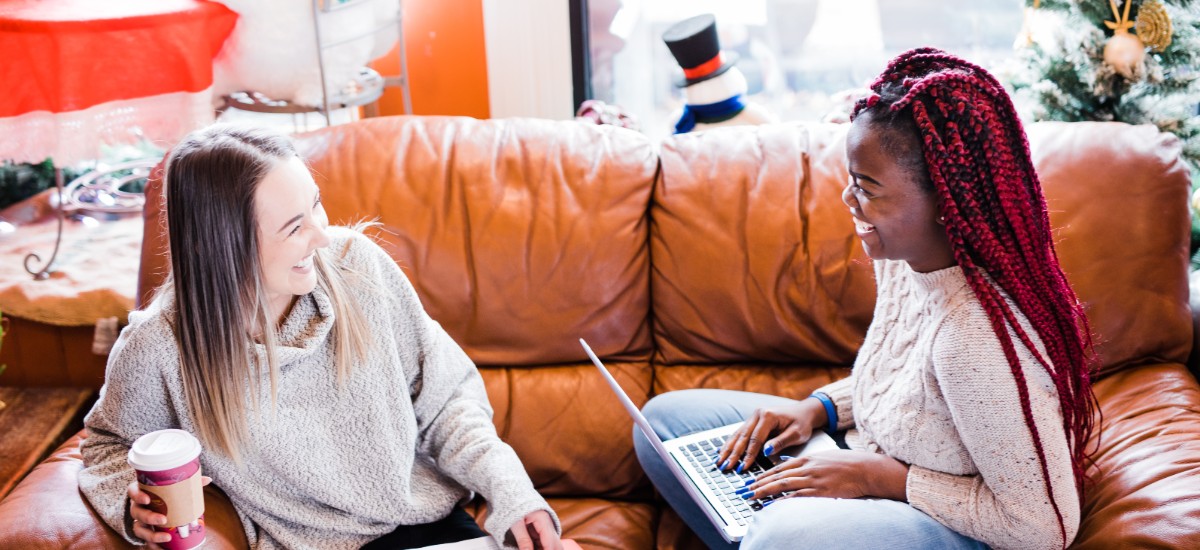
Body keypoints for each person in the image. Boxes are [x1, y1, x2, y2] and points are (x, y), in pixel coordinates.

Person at [634, 47, 1097, 549]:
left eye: (868, 187)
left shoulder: (976, 339)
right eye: (851, 181)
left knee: (781, 536)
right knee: (662, 428)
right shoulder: (903, 259)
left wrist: (881, 479)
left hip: (953, 524)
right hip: (868, 464)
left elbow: (1043, 528)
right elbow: (908, 388)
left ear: (946, 202)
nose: (848, 200)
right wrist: (818, 410)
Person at [78, 124, 563, 550]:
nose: (323, 237)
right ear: (223, 246)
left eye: (316, 206)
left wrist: (513, 494)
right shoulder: (159, 347)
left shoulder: (357, 267)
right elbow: (105, 443)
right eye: (294, 227)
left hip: (425, 526)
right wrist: (132, 501)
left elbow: (446, 398)